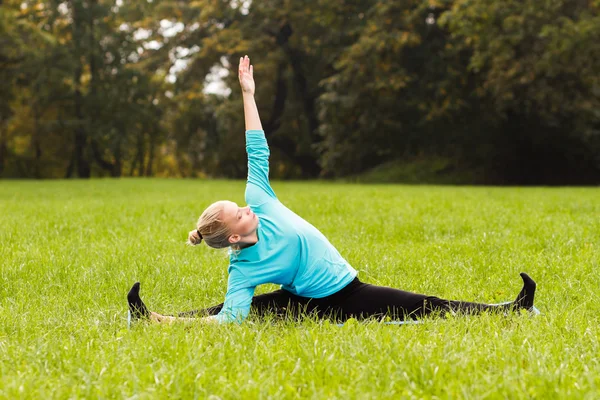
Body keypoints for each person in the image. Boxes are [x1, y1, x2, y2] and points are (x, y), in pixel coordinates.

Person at [127, 55, 537, 325]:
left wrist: (248, 95)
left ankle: (511, 310)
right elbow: (229, 320)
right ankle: (154, 320)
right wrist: (173, 323)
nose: (245, 206)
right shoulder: (244, 268)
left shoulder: (261, 201)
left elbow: (257, 149)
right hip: (317, 301)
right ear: (235, 235)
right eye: (238, 212)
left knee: (423, 303)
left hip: (345, 288)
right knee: (230, 310)